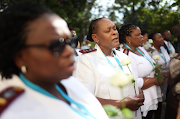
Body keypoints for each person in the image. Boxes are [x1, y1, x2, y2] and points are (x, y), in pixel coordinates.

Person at [0, 2, 109, 119]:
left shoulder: (67, 82)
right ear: (21, 57)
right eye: (56, 45)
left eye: (70, 41)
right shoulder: (15, 113)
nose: (70, 52)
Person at [73, 18, 144, 119]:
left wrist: (138, 91)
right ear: (95, 37)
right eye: (108, 31)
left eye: (114, 29)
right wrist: (121, 104)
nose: (114, 33)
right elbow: (83, 98)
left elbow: (131, 81)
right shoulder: (86, 60)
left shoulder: (123, 56)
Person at [118, 24, 164, 119]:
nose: (142, 37)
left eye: (141, 34)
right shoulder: (125, 55)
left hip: (152, 94)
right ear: (128, 38)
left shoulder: (141, 49)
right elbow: (132, 82)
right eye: (138, 35)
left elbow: (151, 64)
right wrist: (155, 80)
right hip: (142, 100)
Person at [148, 32, 170, 101]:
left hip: (167, 77)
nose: (162, 39)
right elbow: (151, 67)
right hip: (158, 77)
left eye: (162, 37)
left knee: (163, 97)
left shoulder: (163, 49)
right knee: (157, 99)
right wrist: (163, 73)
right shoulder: (150, 51)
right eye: (159, 38)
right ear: (153, 41)